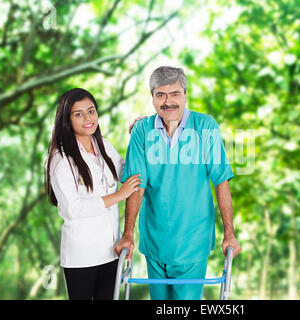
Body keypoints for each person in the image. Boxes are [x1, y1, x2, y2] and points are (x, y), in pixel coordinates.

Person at [115, 66, 241, 300]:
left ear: (185, 95)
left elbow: (221, 182)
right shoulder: (142, 131)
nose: (168, 101)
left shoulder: (205, 127)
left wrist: (229, 234)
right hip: (155, 239)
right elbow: (136, 185)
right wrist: (128, 235)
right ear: (152, 98)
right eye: (160, 95)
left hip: (193, 240)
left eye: (175, 94)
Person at [45, 88, 142, 300]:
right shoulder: (60, 159)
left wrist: (137, 137)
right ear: (66, 119)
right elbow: (74, 209)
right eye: (78, 114)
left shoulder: (102, 145)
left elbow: (125, 172)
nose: (88, 118)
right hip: (82, 256)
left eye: (91, 111)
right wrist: (119, 196)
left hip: (110, 252)